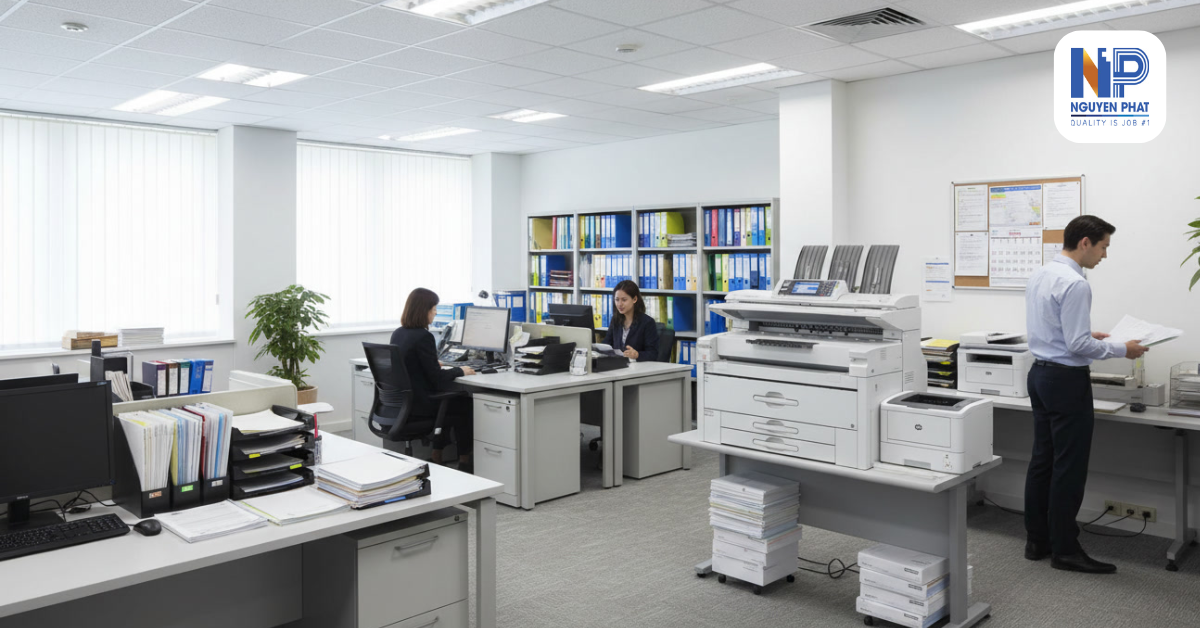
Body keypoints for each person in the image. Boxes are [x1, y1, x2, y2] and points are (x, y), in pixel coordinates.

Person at [1023, 215, 1147, 574]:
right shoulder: (1076, 283)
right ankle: (1065, 550)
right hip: (1065, 382)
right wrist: (1124, 349)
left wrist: (1088, 336)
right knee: (1069, 467)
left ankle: (1038, 541)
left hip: (1040, 376)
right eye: (1104, 247)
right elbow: (1077, 346)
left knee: (1043, 461)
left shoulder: (1042, 274)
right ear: (1085, 243)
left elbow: (1053, 329)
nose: (1104, 255)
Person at [390, 287, 475, 472]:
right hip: (418, 407)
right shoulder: (424, 336)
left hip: (400, 405)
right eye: (434, 308)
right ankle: (465, 461)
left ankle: (438, 454)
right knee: (463, 404)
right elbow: (437, 379)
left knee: (450, 402)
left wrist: (432, 363)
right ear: (424, 310)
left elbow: (412, 363)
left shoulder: (399, 333)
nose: (435, 313)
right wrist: (460, 370)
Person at [603, 280, 660, 362]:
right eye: (617, 300)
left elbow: (653, 353)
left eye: (624, 300)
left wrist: (637, 355)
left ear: (634, 299)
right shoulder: (616, 320)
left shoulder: (647, 322)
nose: (620, 304)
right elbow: (606, 344)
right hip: (619, 365)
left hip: (639, 367)